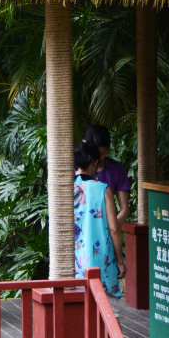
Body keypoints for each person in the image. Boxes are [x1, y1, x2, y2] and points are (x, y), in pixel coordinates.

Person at [74, 140, 126, 303]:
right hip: (102, 262)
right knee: (110, 312)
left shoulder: (63, 188)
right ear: (95, 162)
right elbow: (114, 229)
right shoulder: (103, 188)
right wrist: (120, 261)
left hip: (74, 263)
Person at [83, 124, 131, 226]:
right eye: (94, 153)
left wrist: (107, 230)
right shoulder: (75, 170)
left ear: (108, 150)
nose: (98, 158)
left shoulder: (117, 170)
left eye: (102, 153)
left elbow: (125, 209)